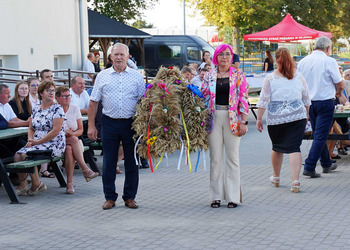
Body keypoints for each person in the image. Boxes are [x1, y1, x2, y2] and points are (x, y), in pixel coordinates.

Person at [88, 43, 145, 210]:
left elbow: (144, 102)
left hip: (131, 123)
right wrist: (91, 126)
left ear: (127, 57)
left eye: (122, 54)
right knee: (109, 162)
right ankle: (110, 197)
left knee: (132, 162)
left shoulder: (136, 77)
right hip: (109, 122)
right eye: (116, 54)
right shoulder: (102, 76)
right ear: (110, 57)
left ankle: (130, 197)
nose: (119, 57)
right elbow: (93, 103)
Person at [256, 48, 311, 193]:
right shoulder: (298, 76)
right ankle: (295, 181)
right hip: (297, 116)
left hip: (276, 118)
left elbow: (263, 100)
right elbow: (306, 98)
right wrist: (306, 115)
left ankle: (276, 177)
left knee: (277, 147)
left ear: (275, 59)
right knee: (294, 148)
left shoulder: (270, 78)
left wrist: (259, 118)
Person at [201, 44, 249, 208]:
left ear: (231, 57)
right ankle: (215, 196)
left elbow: (243, 98)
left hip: (233, 118)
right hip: (213, 117)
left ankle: (233, 196)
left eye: (228, 54)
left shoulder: (238, 75)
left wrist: (243, 121)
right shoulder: (209, 75)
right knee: (215, 157)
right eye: (221, 54)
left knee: (232, 157)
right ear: (216, 57)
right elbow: (203, 96)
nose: (225, 57)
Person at [298, 36, 344, 178]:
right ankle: (310, 165)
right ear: (328, 48)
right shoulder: (329, 61)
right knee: (320, 135)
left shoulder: (303, 61)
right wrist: (339, 92)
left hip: (309, 103)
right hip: (325, 102)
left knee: (319, 133)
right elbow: (339, 82)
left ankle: (326, 163)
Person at [14, 80, 66, 196]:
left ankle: (36, 184)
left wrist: (37, 142)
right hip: (37, 142)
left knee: (30, 155)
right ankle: (24, 185)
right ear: (41, 93)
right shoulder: (36, 108)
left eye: (53, 90)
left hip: (54, 143)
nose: (52, 93)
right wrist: (30, 140)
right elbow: (31, 127)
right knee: (18, 155)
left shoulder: (58, 108)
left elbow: (55, 131)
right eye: (48, 91)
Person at [55, 86, 98, 194]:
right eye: (64, 96)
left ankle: (69, 184)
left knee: (70, 149)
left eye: (69, 96)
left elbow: (80, 130)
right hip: (57, 140)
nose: (67, 98)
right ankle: (85, 168)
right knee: (74, 140)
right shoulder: (54, 109)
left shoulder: (74, 108)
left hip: (70, 141)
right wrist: (65, 133)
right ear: (57, 98)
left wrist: (71, 133)